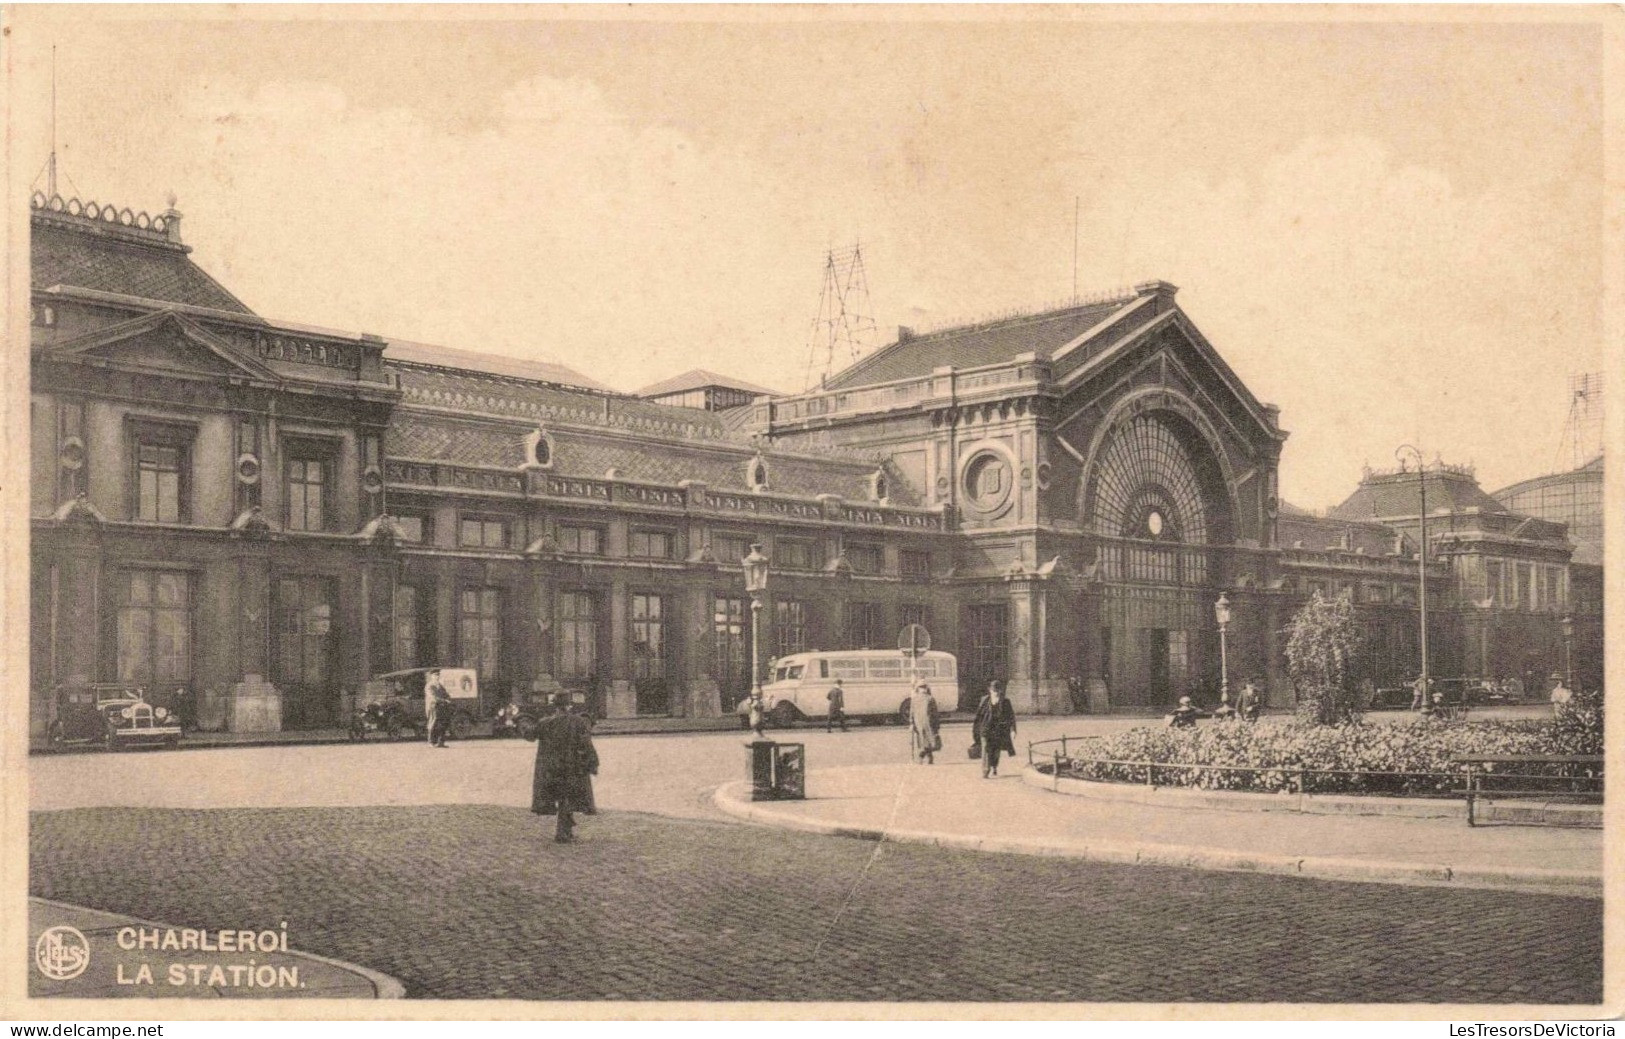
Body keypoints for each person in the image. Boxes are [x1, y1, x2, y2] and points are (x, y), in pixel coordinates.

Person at [531, 692, 599, 843]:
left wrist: (521, 724)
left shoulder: (545, 722)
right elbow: (586, 744)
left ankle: (566, 829)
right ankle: (562, 833)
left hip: (550, 769)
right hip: (571, 768)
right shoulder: (578, 722)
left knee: (562, 797)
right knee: (567, 797)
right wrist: (593, 763)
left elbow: (530, 735)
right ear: (569, 705)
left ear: (555, 706)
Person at [972, 680, 1017, 778]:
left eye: (997, 691)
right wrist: (976, 731)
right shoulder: (984, 700)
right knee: (985, 748)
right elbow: (978, 716)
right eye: (993, 691)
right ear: (990, 690)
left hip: (998, 730)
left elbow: (1011, 717)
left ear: (1000, 691)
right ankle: (985, 770)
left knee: (996, 750)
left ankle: (994, 766)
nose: (995, 693)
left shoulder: (1005, 702)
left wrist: (1013, 730)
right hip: (986, 729)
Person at [908, 681, 941, 764]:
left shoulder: (914, 699)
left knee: (923, 741)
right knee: (931, 741)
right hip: (929, 723)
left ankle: (927, 757)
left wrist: (911, 723)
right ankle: (923, 755)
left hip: (918, 723)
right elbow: (935, 714)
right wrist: (937, 726)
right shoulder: (930, 699)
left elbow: (911, 712)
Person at [426, 675, 452, 747]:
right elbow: (433, 697)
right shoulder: (429, 686)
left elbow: (446, 694)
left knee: (443, 724)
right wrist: (444, 700)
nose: (437, 677)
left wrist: (448, 699)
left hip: (442, 707)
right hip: (433, 707)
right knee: (433, 723)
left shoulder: (440, 686)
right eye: (435, 676)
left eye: (438, 676)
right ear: (432, 677)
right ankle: (431, 742)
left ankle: (441, 742)